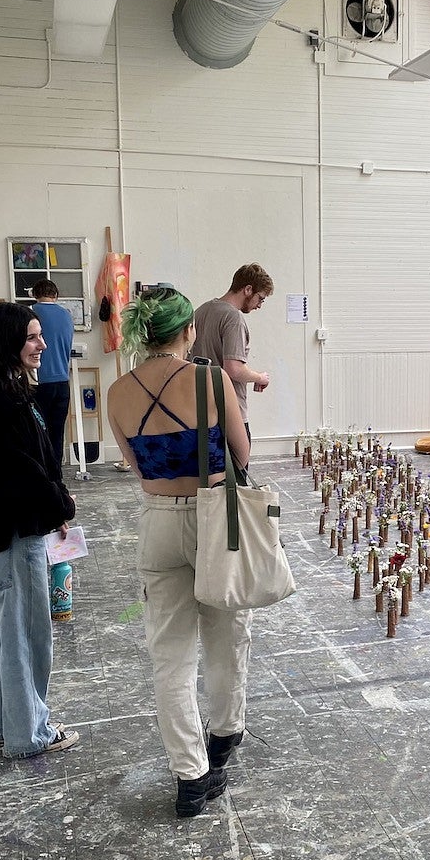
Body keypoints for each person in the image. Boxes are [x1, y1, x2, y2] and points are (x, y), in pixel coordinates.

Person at [107, 287, 253, 818]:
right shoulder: (210, 379)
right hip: (214, 517)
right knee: (226, 633)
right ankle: (224, 736)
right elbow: (241, 451)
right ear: (188, 330)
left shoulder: (119, 391)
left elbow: (134, 464)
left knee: (170, 656)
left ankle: (190, 778)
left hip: (158, 523)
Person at [0, 303, 79, 759]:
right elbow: (19, 469)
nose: (43, 344)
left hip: (14, 526)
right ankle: (30, 734)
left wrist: (53, 500)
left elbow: (34, 460)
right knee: (27, 634)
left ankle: (10, 726)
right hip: (12, 531)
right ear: (7, 342)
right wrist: (57, 504)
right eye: (32, 337)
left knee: (10, 632)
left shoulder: (6, 390)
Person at [190, 264, 272, 443]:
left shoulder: (201, 311)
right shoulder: (233, 318)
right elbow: (234, 369)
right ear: (248, 289)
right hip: (229, 414)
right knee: (237, 470)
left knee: (208, 470)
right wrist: (259, 377)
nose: (259, 305)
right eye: (260, 298)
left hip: (200, 412)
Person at [30, 280, 74, 467]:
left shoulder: (30, 313)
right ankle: (56, 475)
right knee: (57, 432)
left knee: (37, 431)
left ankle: (41, 474)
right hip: (63, 380)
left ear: (34, 294)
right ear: (56, 295)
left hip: (38, 381)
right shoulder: (67, 315)